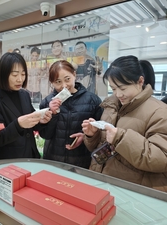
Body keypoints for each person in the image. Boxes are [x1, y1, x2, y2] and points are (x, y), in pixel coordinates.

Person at [82, 55, 167, 192]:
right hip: (101, 182)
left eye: (122, 88)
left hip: (132, 191)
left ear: (140, 81)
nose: (118, 94)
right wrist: (93, 136)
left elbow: (161, 159)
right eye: (113, 88)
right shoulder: (111, 106)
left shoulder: (160, 112)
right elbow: (101, 147)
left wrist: (121, 138)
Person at [0, 52, 52, 159]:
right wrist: (18, 125)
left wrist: (41, 121)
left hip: (31, 155)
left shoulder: (24, 94)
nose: (20, 79)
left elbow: (31, 123)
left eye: (23, 74)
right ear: (3, 74)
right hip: (10, 160)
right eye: (15, 75)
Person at [39, 60, 103, 168]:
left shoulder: (93, 100)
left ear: (74, 75)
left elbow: (101, 132)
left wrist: (85, 136)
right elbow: (45, 135)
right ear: (52, 83)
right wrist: (52, 114)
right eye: (58, 82)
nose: (64, 86)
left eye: (67, 79)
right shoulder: (47, 102)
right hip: (53, 160)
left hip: (82, 161)